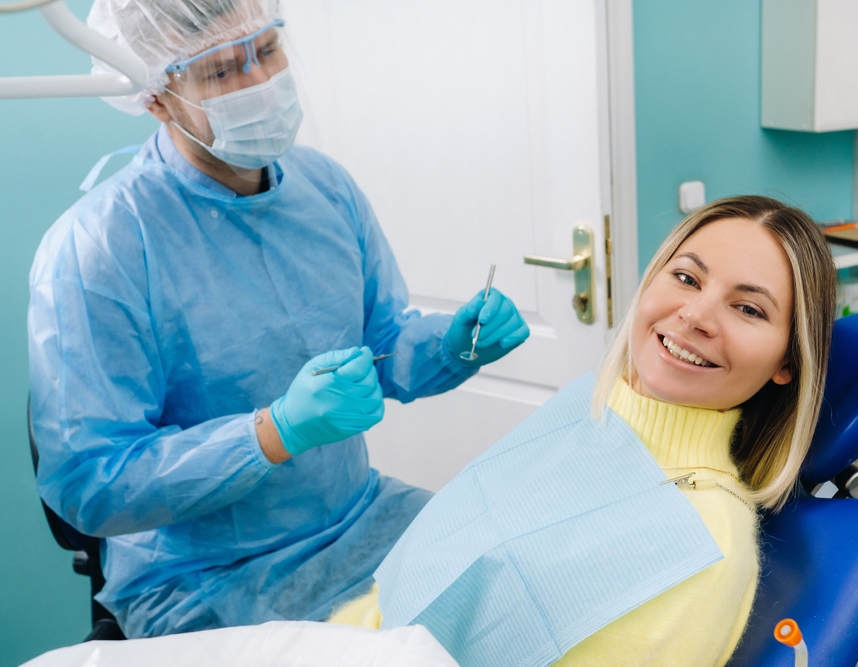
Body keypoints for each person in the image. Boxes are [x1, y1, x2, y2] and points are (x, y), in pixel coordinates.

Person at [28, 0, 528, 639]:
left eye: (265, 51)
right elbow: (89, 485)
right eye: (219, 72)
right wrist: (271, 433)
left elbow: (382, 344)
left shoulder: (325, 188)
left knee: (519, 597)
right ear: (156, 98)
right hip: (205, 576)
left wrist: (454, 348)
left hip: (359, 517)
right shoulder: (100, 248)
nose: (256, 83)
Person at [329, 195, 837, 667]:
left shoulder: (706, 546)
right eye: (686, 278)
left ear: (788, 361)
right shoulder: (586, 411)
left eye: (748, 308)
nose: (696, 316)